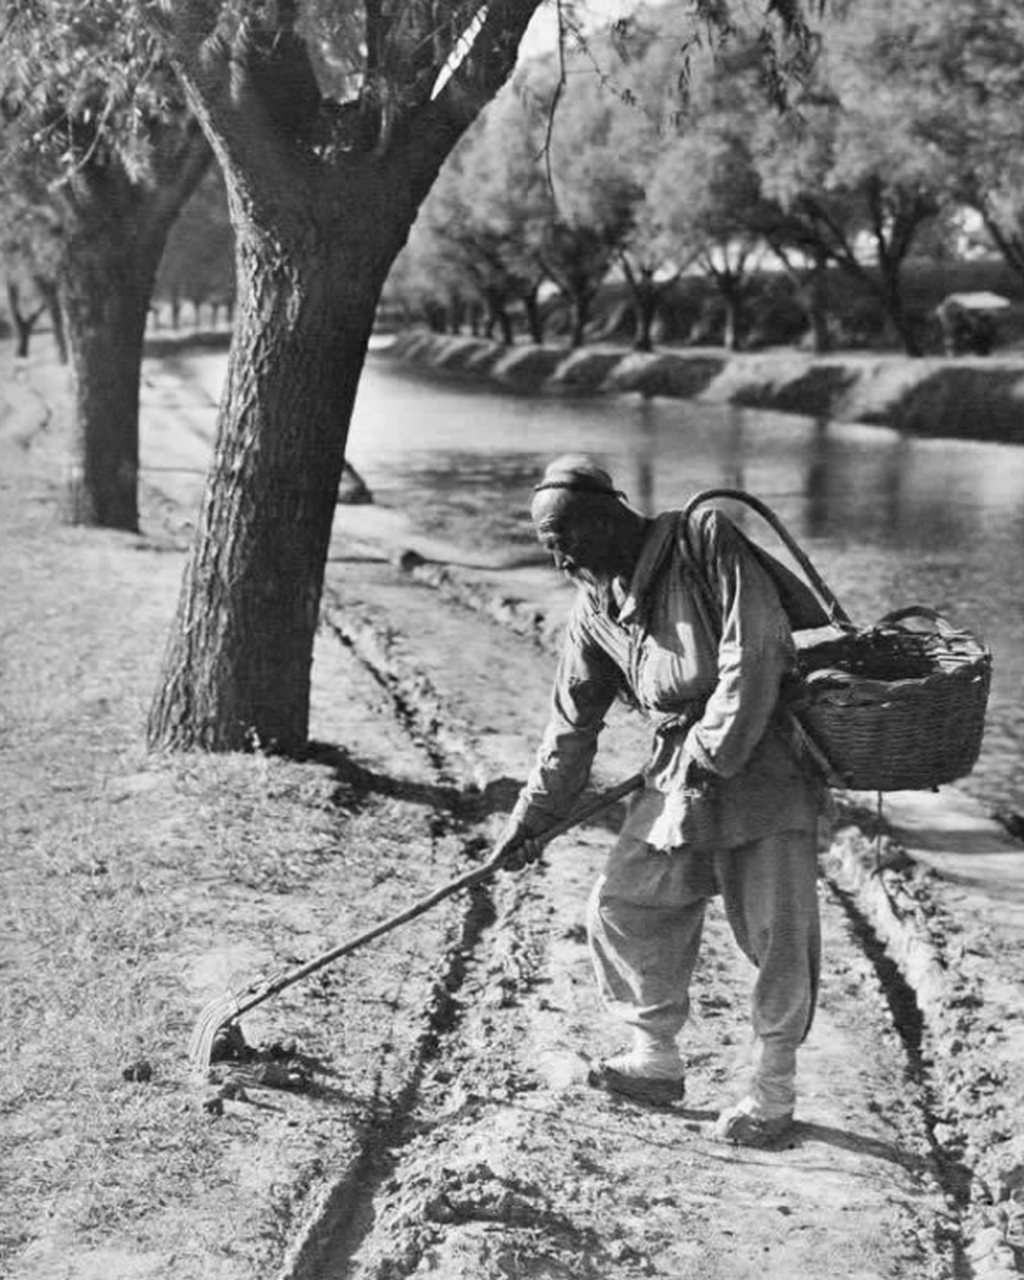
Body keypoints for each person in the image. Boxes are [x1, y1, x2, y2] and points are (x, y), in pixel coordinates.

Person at [494, 454, 826, 1148]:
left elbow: (755, 651)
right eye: (548, 548)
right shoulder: (594, 607)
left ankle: (772, 1093)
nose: (559, 560)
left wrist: (712, 749)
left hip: (763, 764)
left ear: (606, 518)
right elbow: (570, 726)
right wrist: (532, 820)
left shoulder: (704, 540)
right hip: (680, 772)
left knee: (777, 935)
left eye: (562, 540)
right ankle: (655, 1058)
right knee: (624, 902)